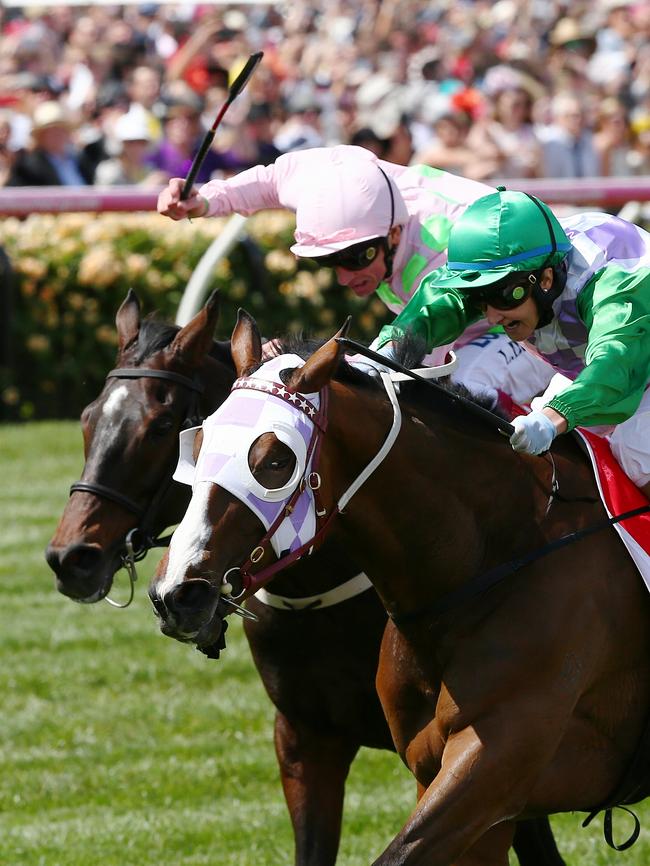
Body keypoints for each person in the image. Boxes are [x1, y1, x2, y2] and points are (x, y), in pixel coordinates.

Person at [157, 144, 553, 405]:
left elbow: (406, 359)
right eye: (330, 262)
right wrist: (206, 200)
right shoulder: (328, 180)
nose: (346, 277)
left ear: (394, 233)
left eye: (357, 257)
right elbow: (270, 181)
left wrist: (303, 365)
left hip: (533, 319)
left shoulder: (445, 249)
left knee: (461, 392)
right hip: (464, 320)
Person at [371, 187, 650, 499]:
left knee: (637, 449)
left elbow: (615, 368)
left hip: (626, 369)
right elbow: (445, 298)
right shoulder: (522, 267)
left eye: (500, 295)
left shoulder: (613, 283)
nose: (491, 317)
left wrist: (552, 417)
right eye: (480, 299)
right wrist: (387, 349)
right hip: (611, 372)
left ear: (545, 279)